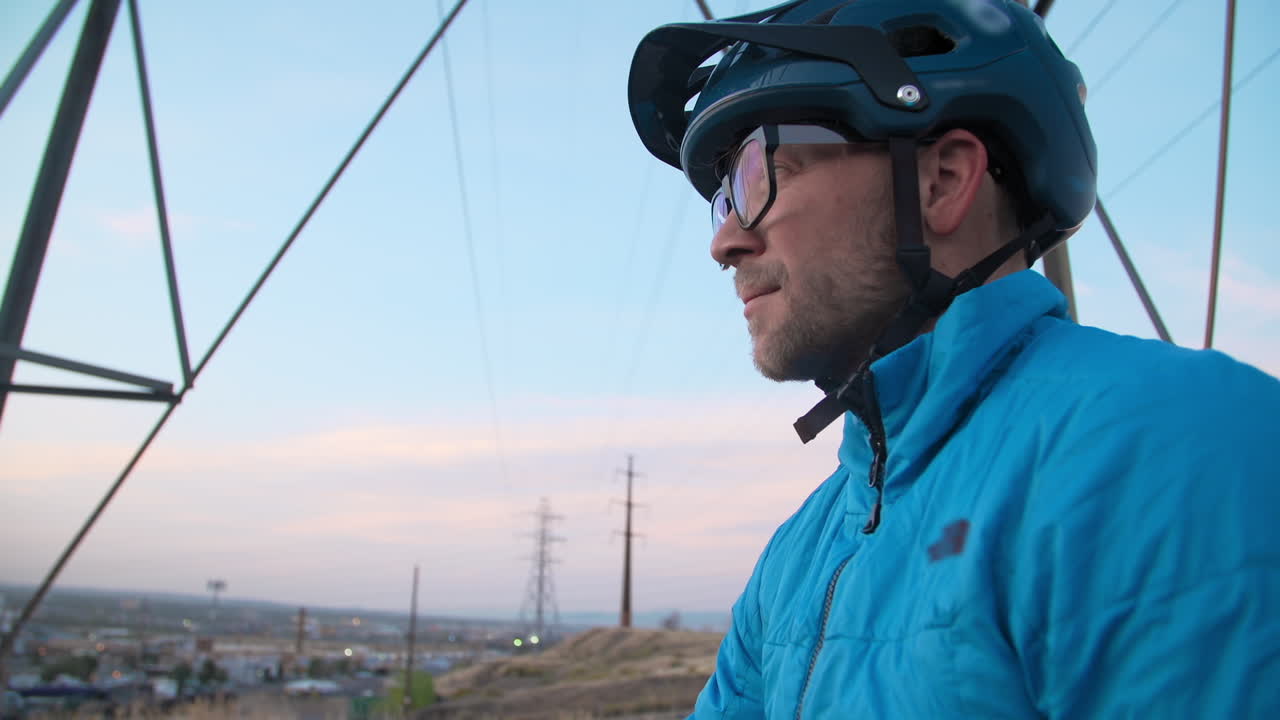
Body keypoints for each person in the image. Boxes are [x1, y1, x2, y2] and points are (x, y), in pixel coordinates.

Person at [626, 0, 1280, 717]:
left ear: (940, 181)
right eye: (724, 200)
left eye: (760, 174)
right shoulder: (798, 555)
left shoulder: (1173, 448)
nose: (724, 244)